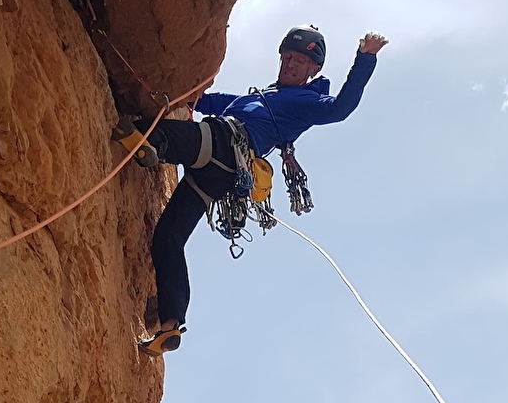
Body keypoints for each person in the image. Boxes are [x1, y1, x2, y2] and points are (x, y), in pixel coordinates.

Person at [131, 26, 387, 355]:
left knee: (152, 133)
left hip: (226, 147)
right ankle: (170, 325)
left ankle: (148, 144)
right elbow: (224, 102)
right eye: (287, 57)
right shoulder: (262, 96)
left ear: (314, 69)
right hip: (219, 173)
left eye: (299, 60)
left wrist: (365, 59)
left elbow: (340, 108)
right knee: (168, 237)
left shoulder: (307, 101)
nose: (290, 64)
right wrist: (195, 97)